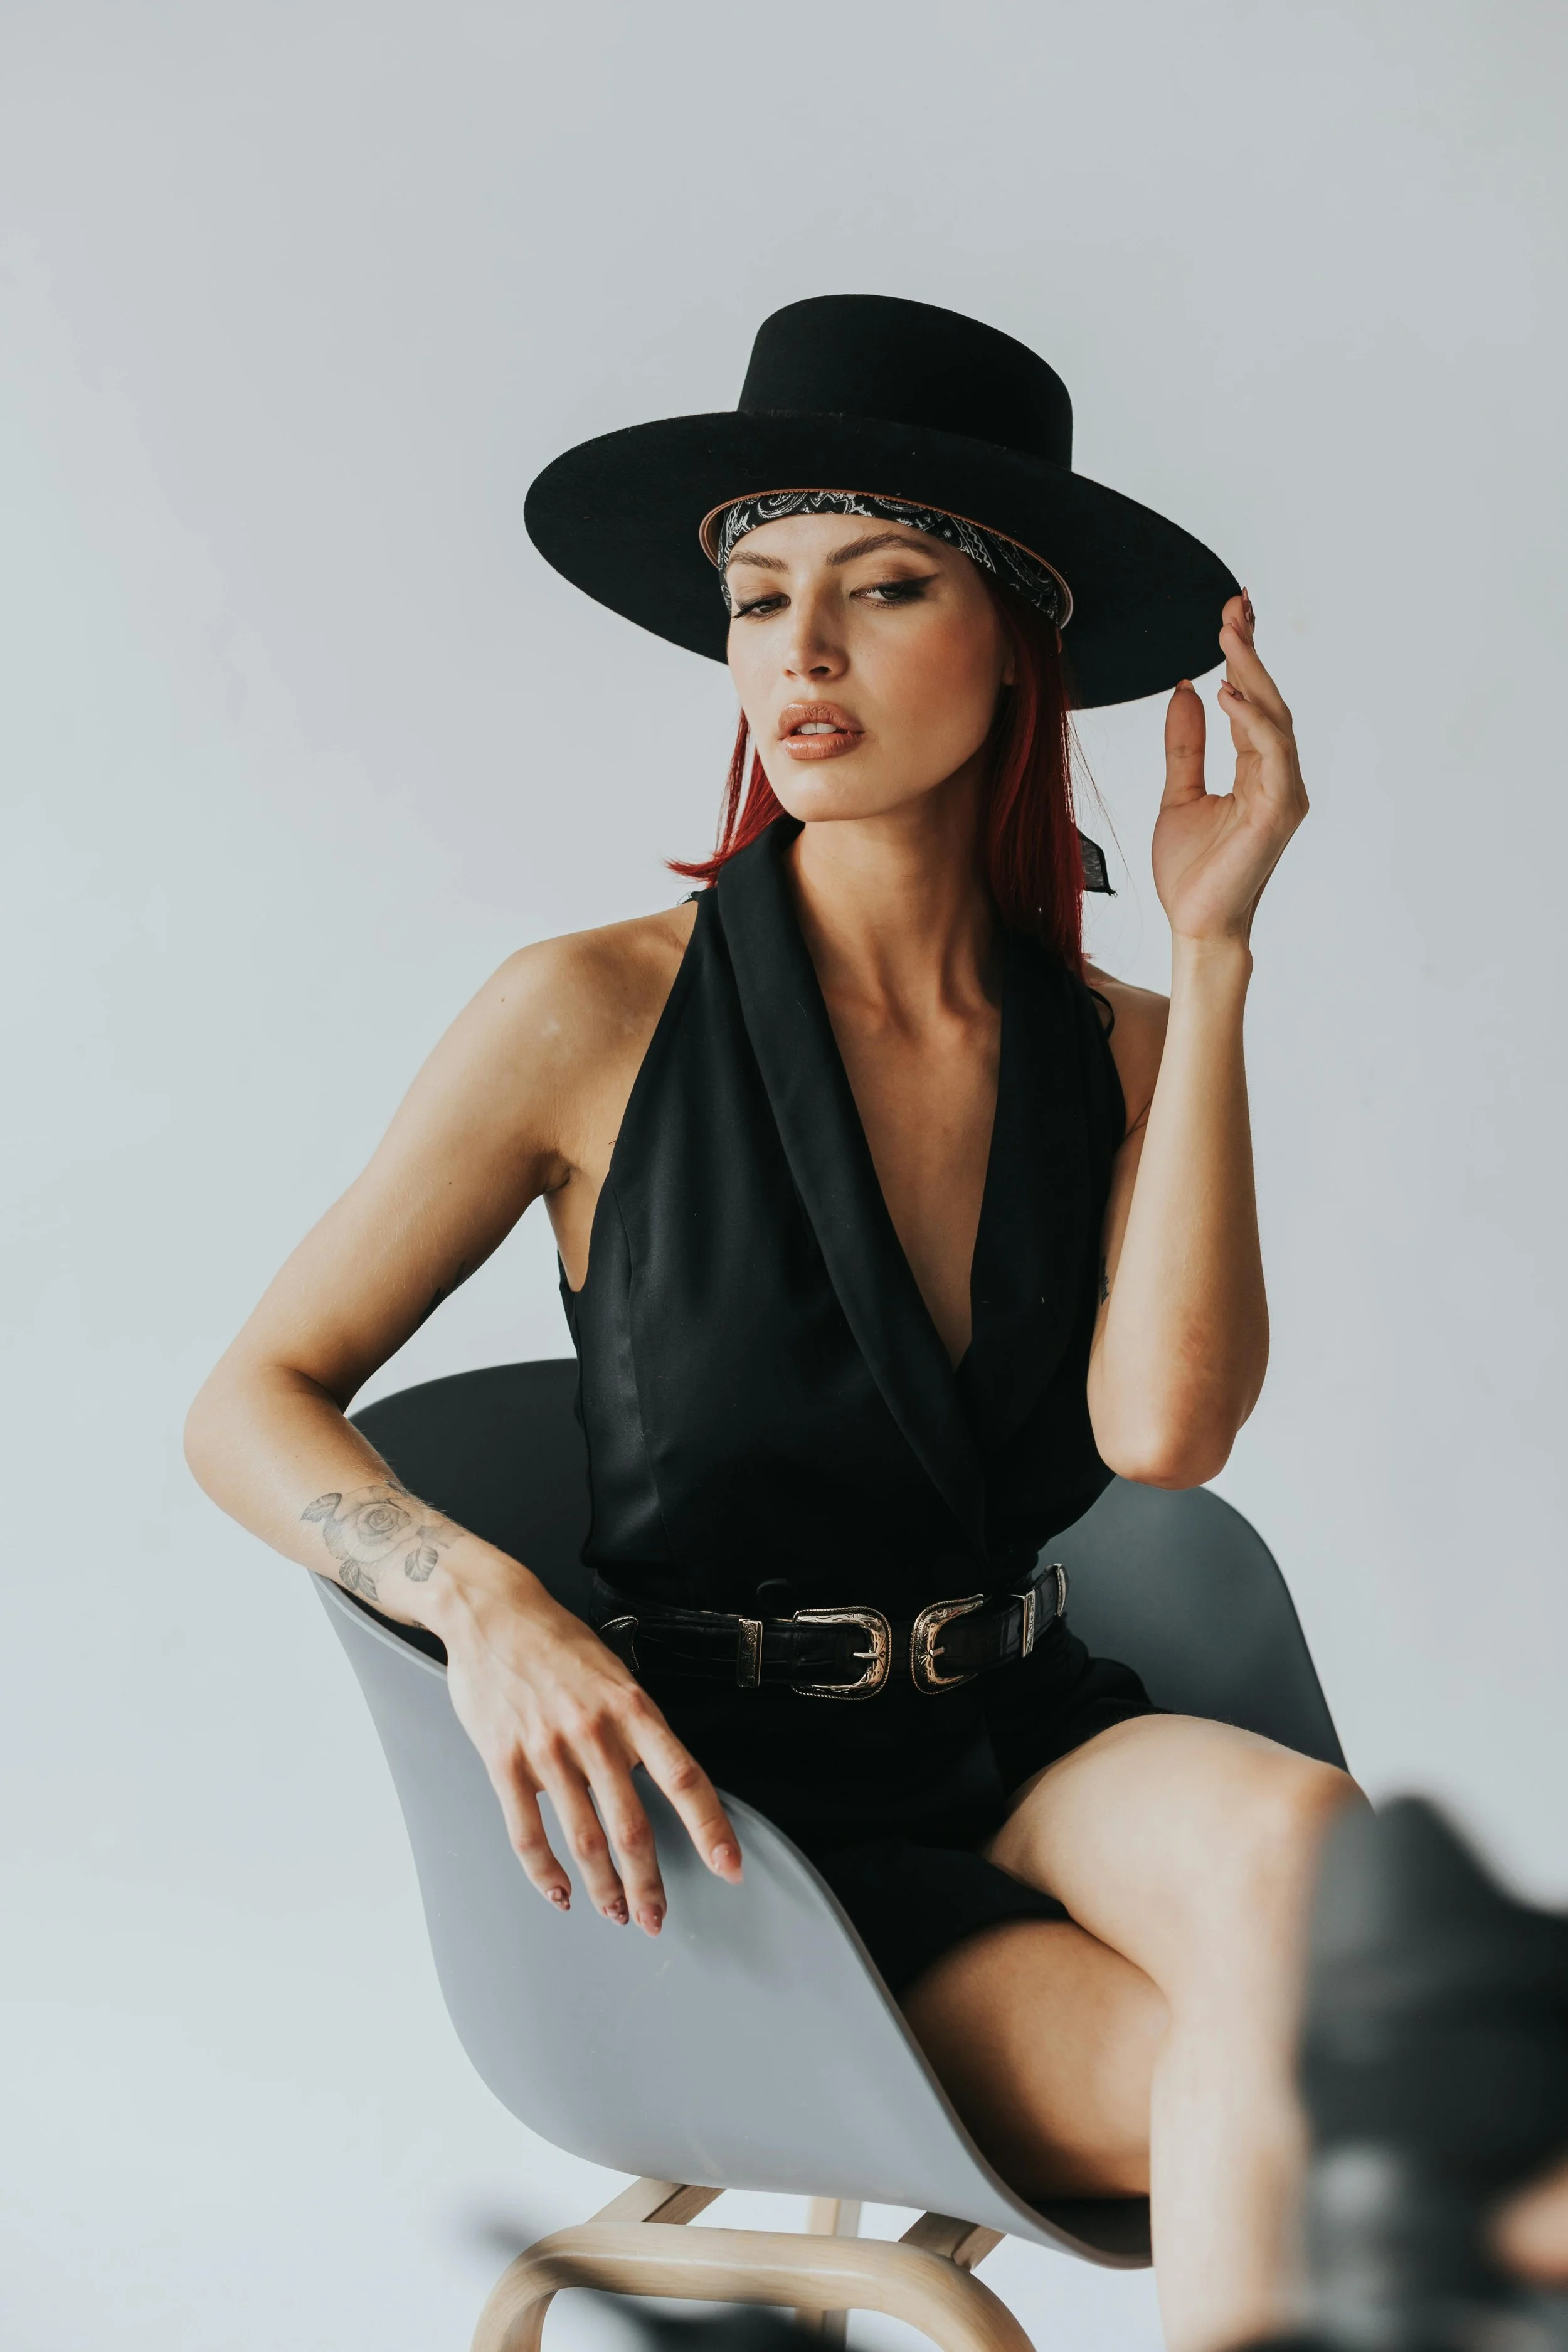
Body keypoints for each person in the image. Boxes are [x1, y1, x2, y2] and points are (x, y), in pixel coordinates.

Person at [185, 294, 1357, 2352]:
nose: (799, 652)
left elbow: (1162, 1438)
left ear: (1018, 641)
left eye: (882, 587)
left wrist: (1217, 952)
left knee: (1331, 1880)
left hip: (1020, 1733)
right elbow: (247, 1400)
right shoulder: (586, 1012)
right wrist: (480, 1598)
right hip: (733, 1833)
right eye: (757, 599)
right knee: (1333, 2096)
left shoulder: (1120, 1043)